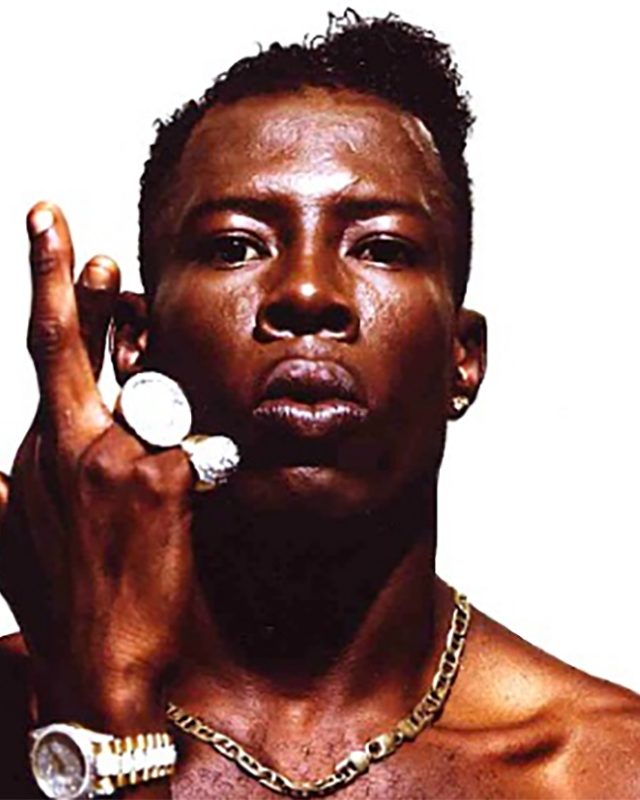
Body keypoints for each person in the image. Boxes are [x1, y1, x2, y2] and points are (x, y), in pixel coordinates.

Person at [0, 10, 638, 799]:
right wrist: (98, 694)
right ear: (135, 341)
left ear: (462, 358)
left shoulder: (606, 771)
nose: (307, 292)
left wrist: (108, 718)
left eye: (382, 248)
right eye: (235, 245)